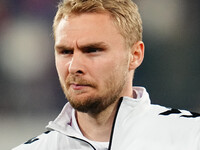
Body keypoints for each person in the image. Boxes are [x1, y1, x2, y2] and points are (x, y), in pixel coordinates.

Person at [13, 0, 200, 150]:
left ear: (135, 55)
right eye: (65, 52)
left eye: (93, 50)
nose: (74, 66)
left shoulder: (191, 137)